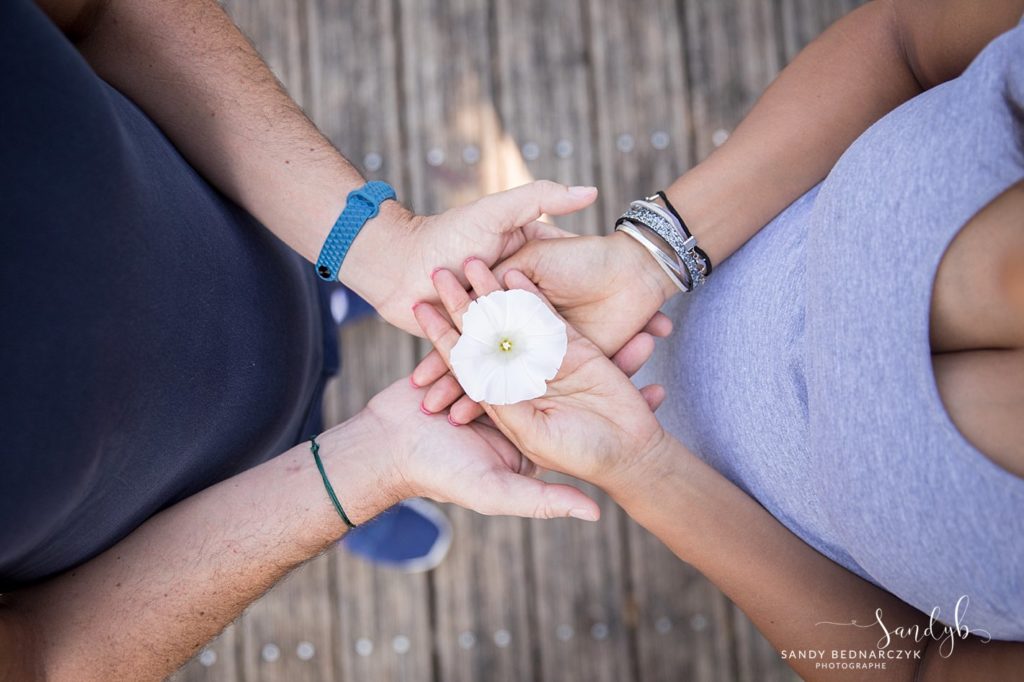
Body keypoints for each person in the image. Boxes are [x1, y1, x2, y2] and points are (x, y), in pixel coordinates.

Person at [0, 0, 671, 678]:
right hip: (185, 502)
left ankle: (333, 288)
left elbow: (104, 8)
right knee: (290, 449)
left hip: (229, 226)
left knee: (288, 285)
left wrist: (385, 250)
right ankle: (324, 465)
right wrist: (369, 467)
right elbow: (45, 658)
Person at [416, 0, 1024, 678]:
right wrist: (649, 258)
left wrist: (643, 470)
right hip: (673, 284)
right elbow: (902, 42)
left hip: (664, 456)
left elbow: (914, 669)